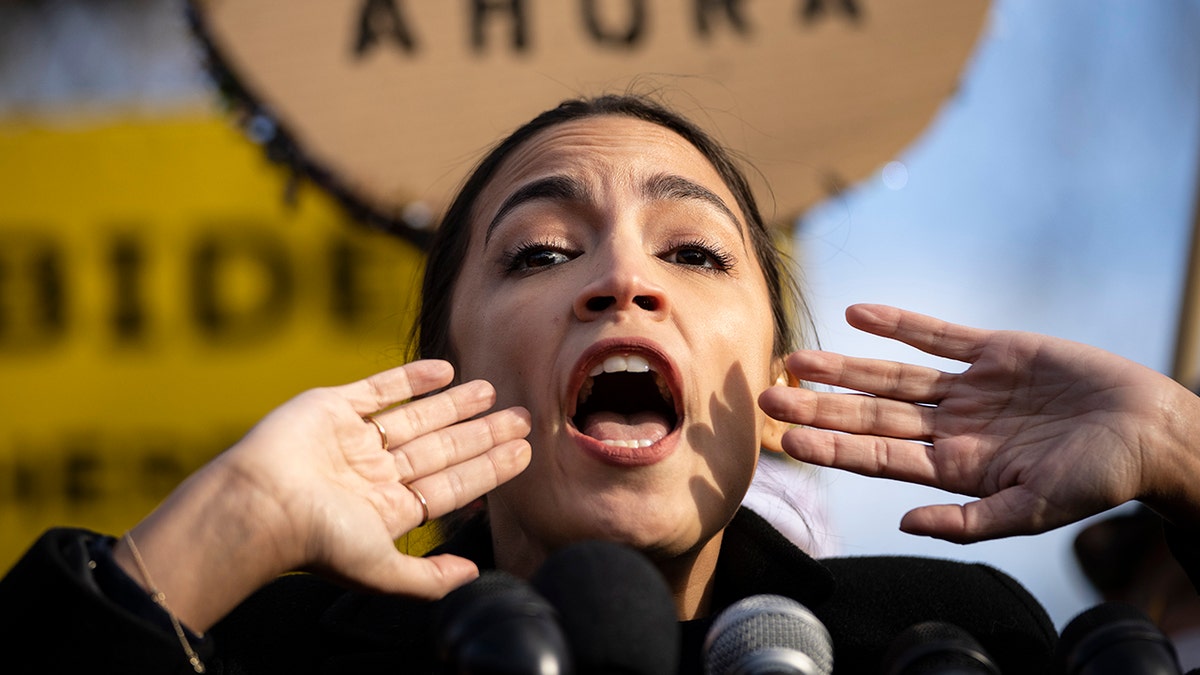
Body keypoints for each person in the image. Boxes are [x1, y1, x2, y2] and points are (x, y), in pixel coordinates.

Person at [3, 93, 1200, 674]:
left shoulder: (949, 648)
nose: (623, 279)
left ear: (771, 380)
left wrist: (1186, 459)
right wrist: (221, 534)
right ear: (451, 368)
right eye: (538, 253)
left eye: (692, 252)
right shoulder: (267, 655)